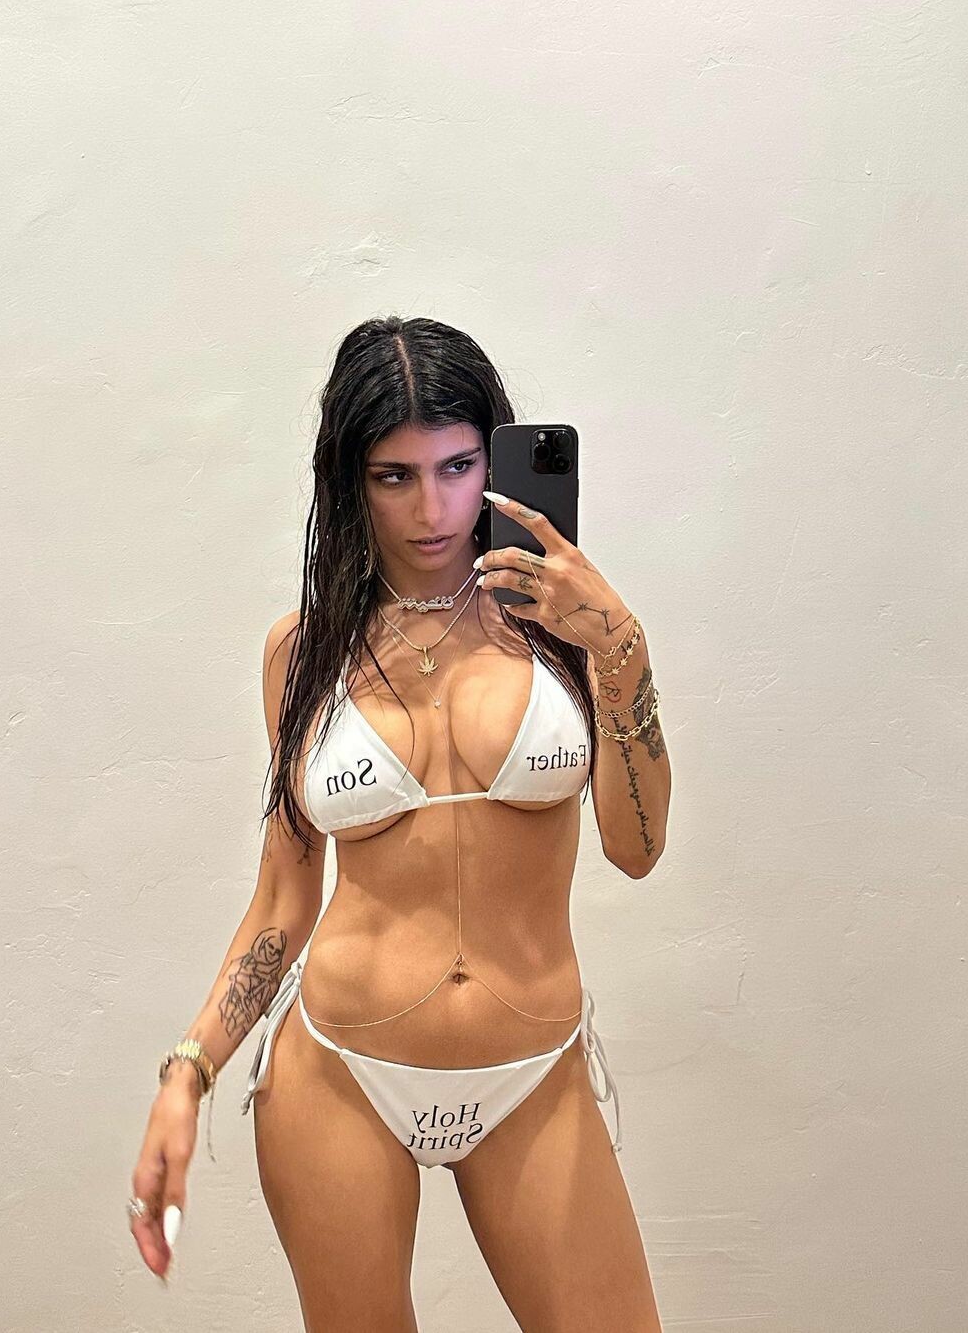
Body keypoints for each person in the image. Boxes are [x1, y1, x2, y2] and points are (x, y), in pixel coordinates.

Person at [128, 316, 670, 1330]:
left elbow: (636, 851)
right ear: (351, 481)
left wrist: (620, 648)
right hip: (337, 1075)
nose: (433, 508)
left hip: (533, 1070)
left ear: (494, 458)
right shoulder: (304, 653)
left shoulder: (566, 632)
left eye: (459, 467)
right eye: (395, 476)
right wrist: (187, 1076)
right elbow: (282, 902)